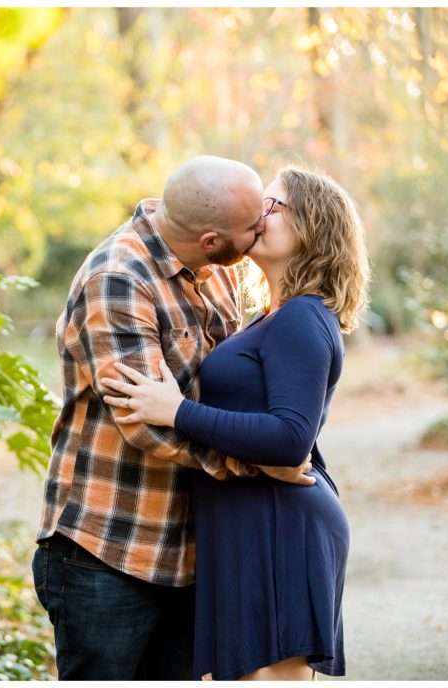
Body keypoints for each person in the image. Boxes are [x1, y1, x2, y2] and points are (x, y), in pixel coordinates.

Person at [32, 156, 313, 681]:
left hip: (190, 548)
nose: (260, 231)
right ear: (211, 240)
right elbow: (145, 424)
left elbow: (236, 393)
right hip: (109, 552)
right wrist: (255, 464)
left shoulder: (216, 273)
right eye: (252, 226)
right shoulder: (117, 278)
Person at [102, 166, 370, 680]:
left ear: (311, 227)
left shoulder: (300, 318)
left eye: (271, 206)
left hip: (276, 523)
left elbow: (291, 439)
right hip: (247, 517)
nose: (255, 216)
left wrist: (177, 411)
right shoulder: (271, 315)